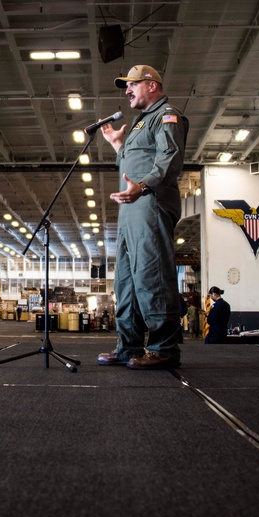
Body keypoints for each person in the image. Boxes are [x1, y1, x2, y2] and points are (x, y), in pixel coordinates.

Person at [96, 65, 188, 369]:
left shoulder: (167, 115)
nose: (127, 90)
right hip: (132, 205)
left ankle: (164, 348)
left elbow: (170, 158)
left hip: (151, 200)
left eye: (132, 84)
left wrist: (144, 186)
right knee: (126, 280)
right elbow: (134, 160)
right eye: (126, 86)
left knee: (152, 273)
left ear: (151, 84)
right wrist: (118, 145)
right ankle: (129, 345)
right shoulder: (139, 123)